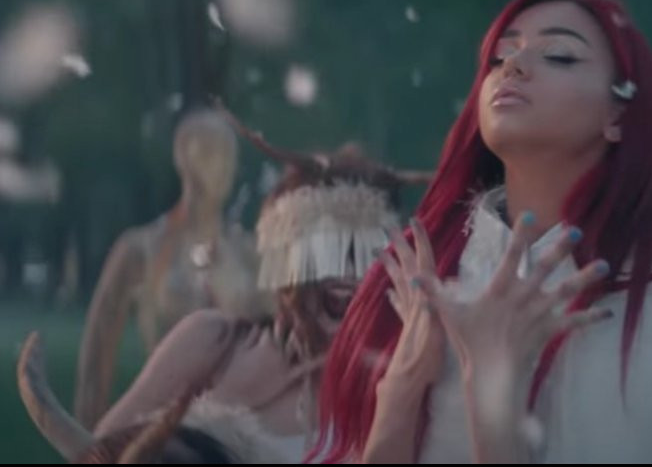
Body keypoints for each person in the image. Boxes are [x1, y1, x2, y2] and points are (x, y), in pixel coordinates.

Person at [314, 0, 652, 463]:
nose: (513, 66)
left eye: (559, 56)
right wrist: (400, 389)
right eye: (500, 58)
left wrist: (491, 389)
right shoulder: (425, 276)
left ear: (619, 114)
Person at [22, 116, 433, 463]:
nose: (346, 278)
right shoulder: (214, 341)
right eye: (325, 254)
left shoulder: (395, 379)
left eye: (362, 257)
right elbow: (99, 455)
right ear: (288, 265)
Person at [75, 108, 269, 429]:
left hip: (237, 434)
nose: (222, 165)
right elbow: (96, 359)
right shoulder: (142, 250)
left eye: (228, 155)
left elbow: (286, 344)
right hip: (163, 429)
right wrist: (88, 444)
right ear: (183, 157)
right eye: (209, 152)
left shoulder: (248, 254)